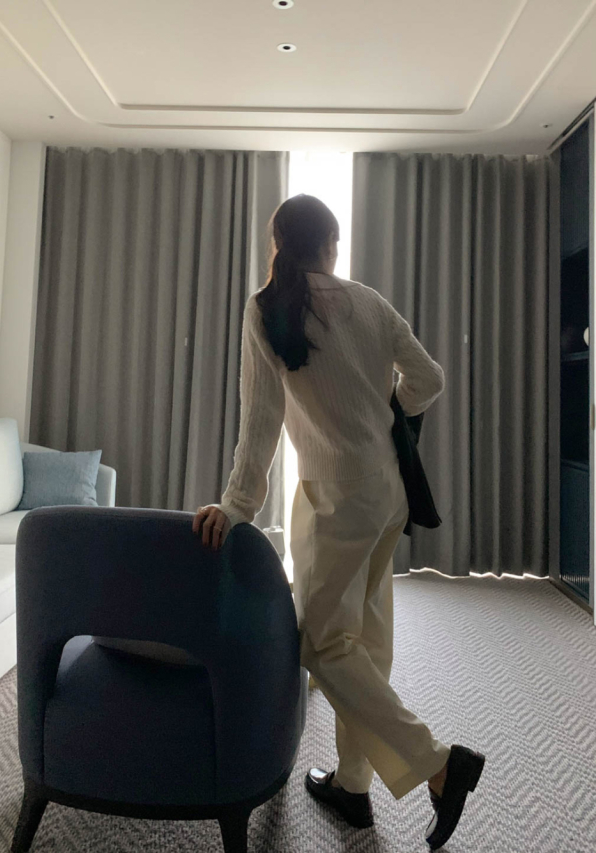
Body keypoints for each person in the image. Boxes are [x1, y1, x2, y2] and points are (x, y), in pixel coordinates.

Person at [193, 194, 485, 850]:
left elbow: (261, 418)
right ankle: (353, 787)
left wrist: (237, 505)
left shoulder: (267, 307)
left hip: (334, 496)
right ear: (331, 244)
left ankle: (438, 764)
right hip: (389, 490)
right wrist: (390, 411)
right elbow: (429, 378)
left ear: (278, 243)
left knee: (323, 645)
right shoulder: (369, 301)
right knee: (366, 640)